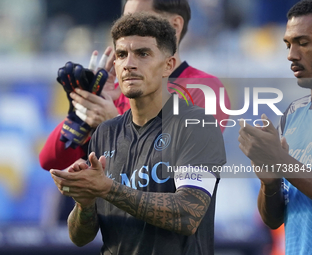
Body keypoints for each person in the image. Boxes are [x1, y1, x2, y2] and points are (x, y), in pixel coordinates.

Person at [50, 13, 226, 255]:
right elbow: (80, 237)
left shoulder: (197, 124)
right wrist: (85, 201)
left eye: (143, 54)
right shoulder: (105, 133)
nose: (129, 64)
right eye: (122, 55)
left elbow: (188, 213)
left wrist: (107, 188)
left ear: (169, 65)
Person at [39, 0, 230, 171]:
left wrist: (114, 125)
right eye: (124, 20)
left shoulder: (204, 89)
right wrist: (81, 113)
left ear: (174, 26)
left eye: (139, 20)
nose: (127, 29)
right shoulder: (115, 92)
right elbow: (50, 161)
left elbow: (175, 169)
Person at [238, 1, 312, 254]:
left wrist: (280, 160)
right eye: (288, 44)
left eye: (303, 43)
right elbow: (273, 220)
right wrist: (269, 183)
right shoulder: (293, 115)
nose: (291, 54)